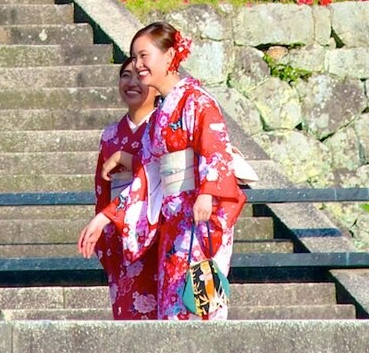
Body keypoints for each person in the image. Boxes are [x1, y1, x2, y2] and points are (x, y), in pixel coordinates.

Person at [76, 22, 245, 320]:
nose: (139, 65)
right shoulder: (162, 114)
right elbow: (148, 173)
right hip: (172, 219)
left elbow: (215, 147)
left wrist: (207, 193)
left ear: (169, 57)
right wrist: (105, 215)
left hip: (199, 218)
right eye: (134, 58)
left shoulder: (197, 101)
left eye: (144, 56)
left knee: (201, 306)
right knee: (172, 307)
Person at [91, 61, 160, 319]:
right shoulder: (110, 135)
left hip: (156, 228)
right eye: (125, 76)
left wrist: (127, 158)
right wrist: (105, 231)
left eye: (140, 76)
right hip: (119, 232)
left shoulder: (162, 127)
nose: (131, 83)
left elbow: (161, 172)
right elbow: (103, 189)